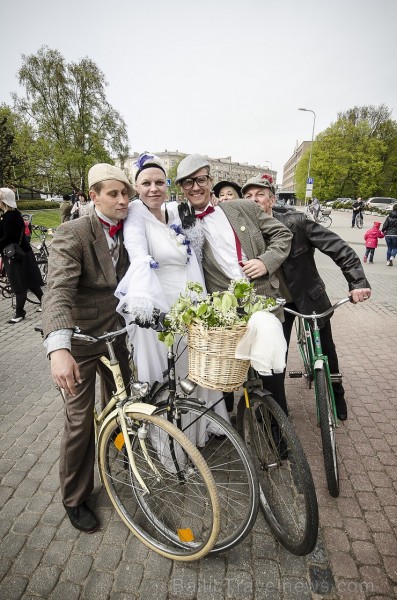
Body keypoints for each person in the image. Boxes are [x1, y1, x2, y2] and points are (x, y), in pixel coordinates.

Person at [41, 163, 134, 533]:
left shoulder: (134, 227)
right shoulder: (74, 232)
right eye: (113, 193)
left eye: (126, 193)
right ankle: (75, 497)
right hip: (79, 338)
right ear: (93, 196)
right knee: (80, 420)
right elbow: (58, 291)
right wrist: (58, 348)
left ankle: (122, 457)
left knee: (124, 402)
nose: (122, 200)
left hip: (115, 333)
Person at [114, 153, 230, 436]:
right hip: (159, 305)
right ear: (136, 187)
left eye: (159, 182)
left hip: (189, 300)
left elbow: (196, 253)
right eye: (145, 183)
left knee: (193, 367)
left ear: (167, 184)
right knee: (167, 373)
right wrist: (146, 305)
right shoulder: (134, 216)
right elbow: (138, 255)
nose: (153, 188)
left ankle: (197, 429)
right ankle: (171, 438)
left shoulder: (177, 212)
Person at [241, 173, 372, 421]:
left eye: (259, 194)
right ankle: (276, 413)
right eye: (247, 196)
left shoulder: (296, 221)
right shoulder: (244, 232)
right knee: (274, 357)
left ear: (272, 199)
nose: (254, 200)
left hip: (309, 296)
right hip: (275, 305)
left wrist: (358, 282)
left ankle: (336, 395)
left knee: (327, 351)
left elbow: (339, 248)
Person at [175, 154, 293, 415]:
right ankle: (229, 430)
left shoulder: (242, 208)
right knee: (227, 379)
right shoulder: (180, 223)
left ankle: (280, 441)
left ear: (210, 180)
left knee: (271, 377)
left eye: (201, 180)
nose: (195, 187)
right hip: (225, 312)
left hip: (263, 300)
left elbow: (282, 234)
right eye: (188, 182)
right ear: (182, 188)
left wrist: (265, 261)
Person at [0, 187, 44, 323]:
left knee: (19, 285)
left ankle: (19, 313)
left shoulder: (10, 217)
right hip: (22, 253)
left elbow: (7, 238)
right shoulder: (12, 215)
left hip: (15, 256)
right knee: (31, 282)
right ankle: (47, 304)